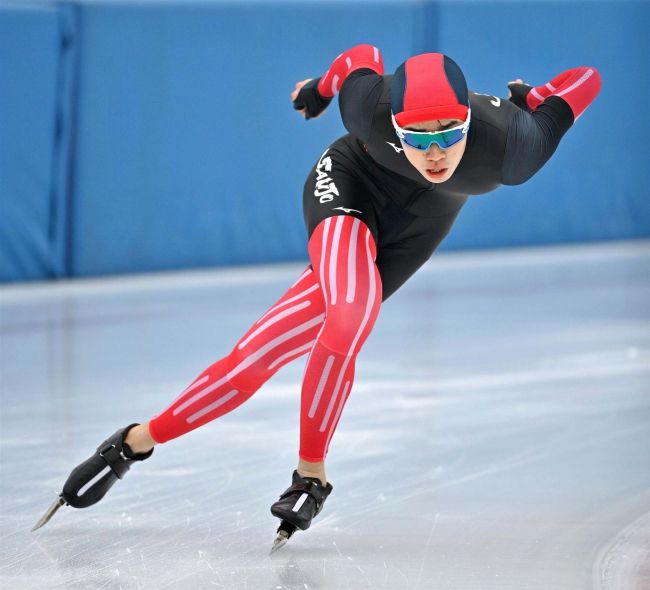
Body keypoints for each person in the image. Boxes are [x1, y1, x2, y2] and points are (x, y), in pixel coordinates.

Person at [33, 45, 601, 548]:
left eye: (448, 135)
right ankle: (312, 474)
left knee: (260, 356)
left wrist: (544, 96)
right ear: (392, 126)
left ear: (469, 125)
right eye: (417, 138)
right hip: (350, 185)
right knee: (347, 313)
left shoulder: (516, 146)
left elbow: (588, 77)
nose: (434, 155)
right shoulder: (370, 109)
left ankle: (132, 442)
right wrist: (319, 90)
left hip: (416, 231)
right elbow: (360, 56)